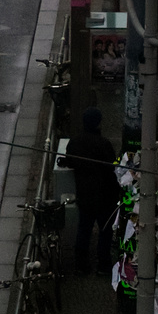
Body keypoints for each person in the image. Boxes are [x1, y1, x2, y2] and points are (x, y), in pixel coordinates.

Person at [61, 108, 119, 273]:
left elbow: (70, 162)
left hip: (85, 195)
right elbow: (111, 167)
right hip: (104, 196)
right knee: (105, 230)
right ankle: (103, 264)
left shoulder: (75, 142)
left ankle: (81, 265)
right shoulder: (104, 144)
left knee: (84, 229)